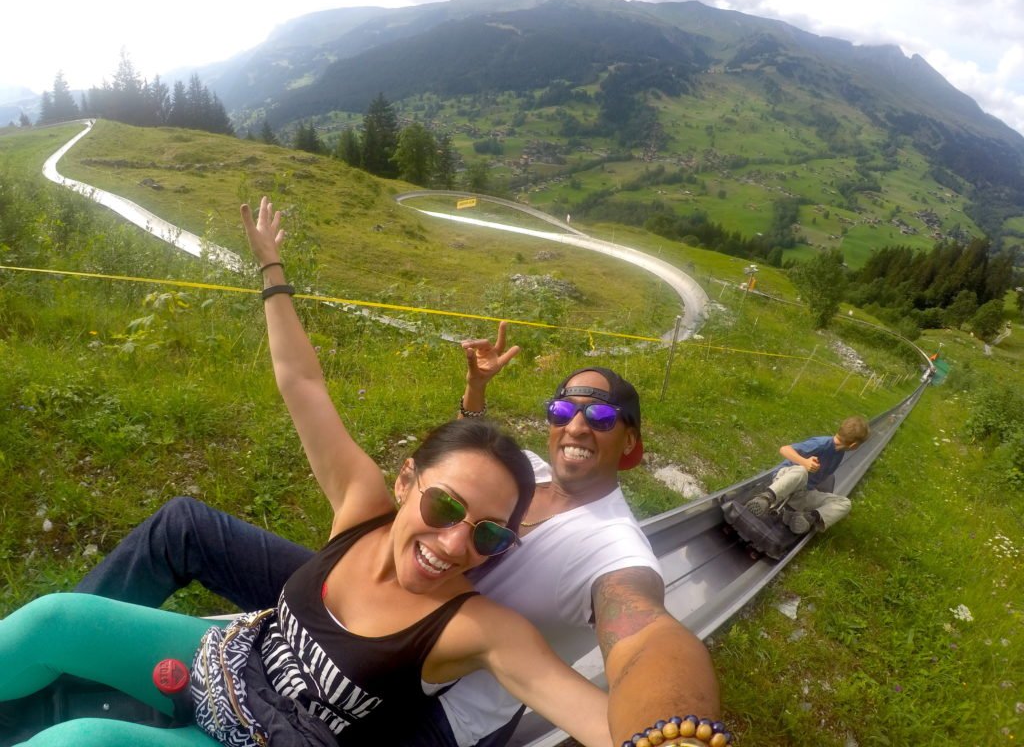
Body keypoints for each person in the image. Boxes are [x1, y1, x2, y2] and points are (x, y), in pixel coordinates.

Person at [73, 207, 723, 746]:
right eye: (562, 408)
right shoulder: (521, 471)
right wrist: (475, 397)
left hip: (448, 710)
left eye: (601, 415)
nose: (576, 424)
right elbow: (465, 462)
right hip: (388, 608)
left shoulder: (615, 550)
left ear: (632, 444)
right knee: (186, 527)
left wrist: (673, 731)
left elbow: (641, 634)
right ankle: (80, 668)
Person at [744, 415, 870, 534]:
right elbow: (784, 449)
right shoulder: (822, 443)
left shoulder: (839, 453)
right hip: (784, 481)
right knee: (801, 471)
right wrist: (804, 462)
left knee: (845, 503)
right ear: (854, 445)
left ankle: (807, 518)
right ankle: (765, 498)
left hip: (802, 493)